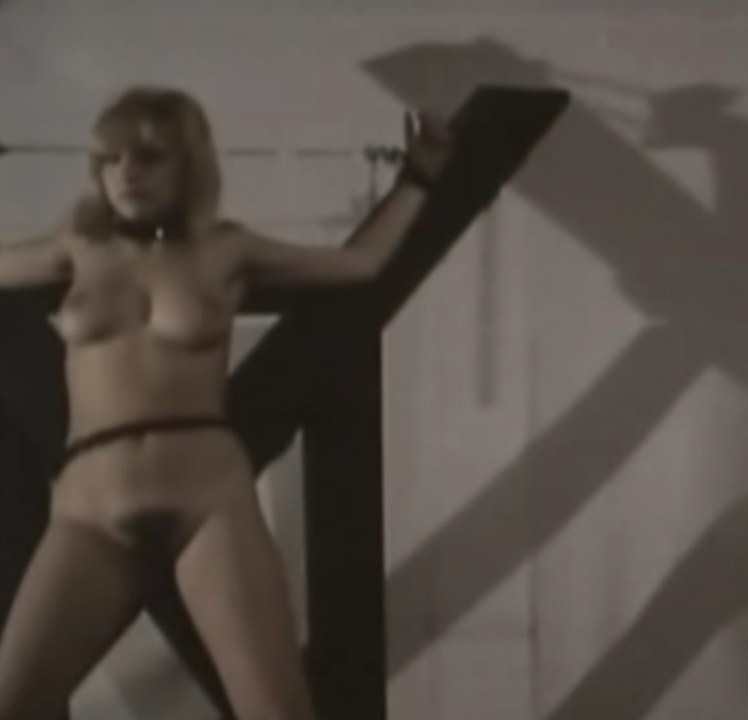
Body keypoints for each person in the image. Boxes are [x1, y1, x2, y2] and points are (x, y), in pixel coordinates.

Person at [0, 86, 451, 720]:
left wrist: (418, 179)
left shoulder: (226, 248)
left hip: (207, 505)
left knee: (279, 714)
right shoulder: (77, 246)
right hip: (89, 513)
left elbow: (361, 263)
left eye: (148, 157)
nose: (127, 172)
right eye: (111, 158)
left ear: (187, 165)